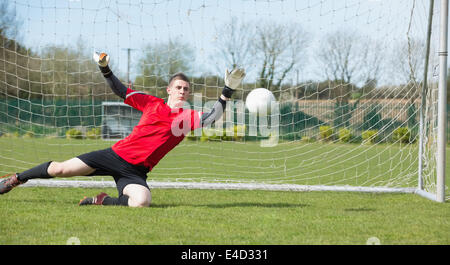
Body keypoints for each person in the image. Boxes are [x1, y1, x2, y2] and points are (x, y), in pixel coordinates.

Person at [0, 52, 245, 207]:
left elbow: (213, 116)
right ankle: (15, 179)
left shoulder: (187, 117)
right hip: (113, 156)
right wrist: (104, 68)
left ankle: (102, 201)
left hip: (135, 172)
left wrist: (227, 91)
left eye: (186, 89)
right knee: (60, 169)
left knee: (141, 202)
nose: (183, 91)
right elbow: (120, 90)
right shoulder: (151, 102)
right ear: (169, 90)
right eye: (178, 87)